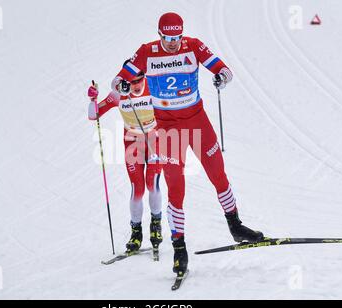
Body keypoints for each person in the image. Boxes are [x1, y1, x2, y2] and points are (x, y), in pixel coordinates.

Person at [112, 12, 264, 276]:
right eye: (168, 37)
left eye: (177, 36)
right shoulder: (147, 52)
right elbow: (118, 81)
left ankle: (236, 226)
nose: (173, 42)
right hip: (168, 127)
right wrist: (123, 85)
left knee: (218, 173)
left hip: (197, 120)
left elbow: (224, 70)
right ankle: (179, 247)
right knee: (176, 185)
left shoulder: (192, 46)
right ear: (160, 35)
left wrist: (221, 78)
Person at [88, 67, 163, 255]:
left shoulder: (155, 87)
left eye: (140, 80)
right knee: (137, 188)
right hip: (132, 144)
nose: (137, 85)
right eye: (132, 82)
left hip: (155, 142)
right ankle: (136, 232)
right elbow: (93, 115)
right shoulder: (118, 95)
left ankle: (156, 224)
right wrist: (92, 100)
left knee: (152, 184)